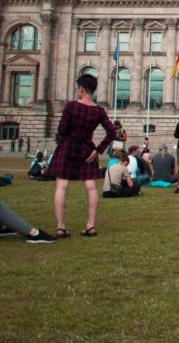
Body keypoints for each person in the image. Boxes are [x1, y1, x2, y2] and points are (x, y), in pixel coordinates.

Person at [48, 74, 116, 238]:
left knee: (61, 186)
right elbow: (112, 132)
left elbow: (62, 130)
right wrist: (98, 150)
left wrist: (64, 141)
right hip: (87, 148)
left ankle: (60, 227)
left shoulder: (71, 107)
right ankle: (90, 225)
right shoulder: (98, 111)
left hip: (68, 147)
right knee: (91, 187)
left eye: (77, 88)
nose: (77, 91)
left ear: (82, 89)